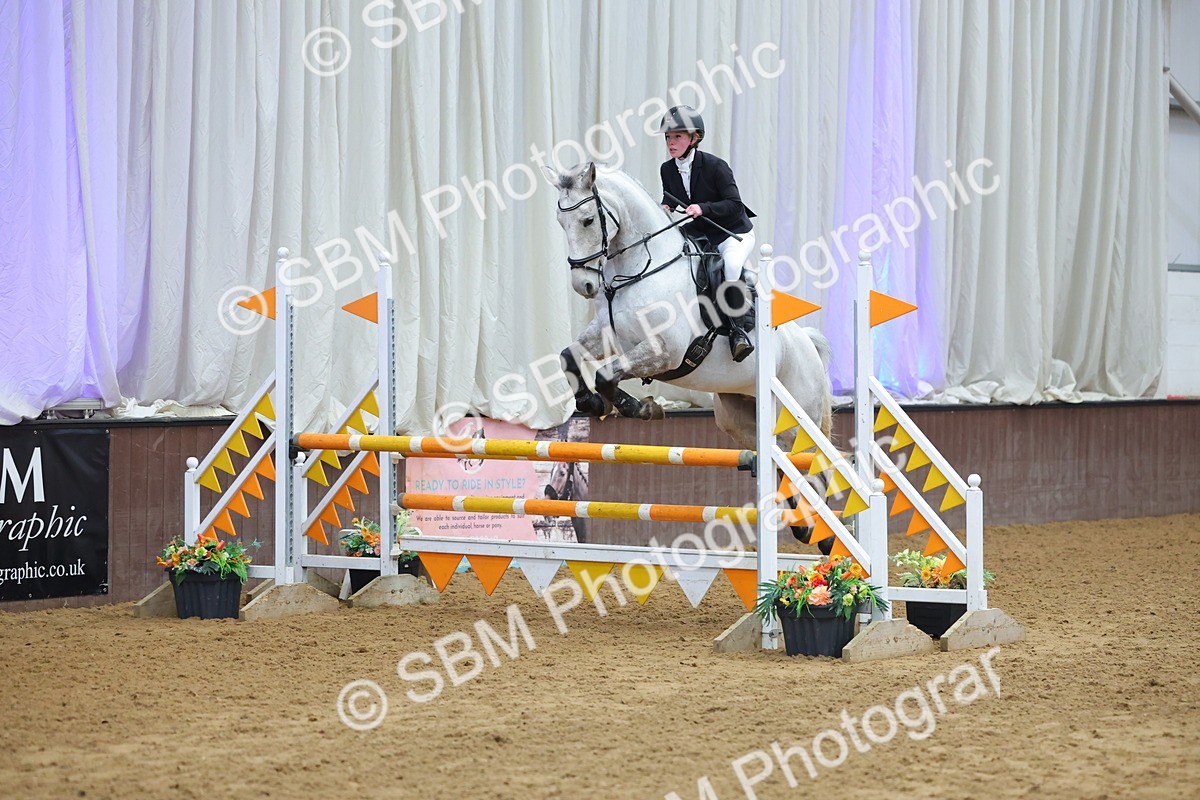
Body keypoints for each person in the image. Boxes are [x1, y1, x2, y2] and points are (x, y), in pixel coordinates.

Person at [658, 105, 757, 362]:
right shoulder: (666, 170)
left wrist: (703, 208)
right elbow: (675, 198)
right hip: (702, 232)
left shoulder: (716, 166)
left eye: (677, 136)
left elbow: (734, 204)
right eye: (668, 137)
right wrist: (666, 206)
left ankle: (738, 332)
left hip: (731, 232)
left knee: (732, 265)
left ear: (694, 138)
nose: (671, 142)